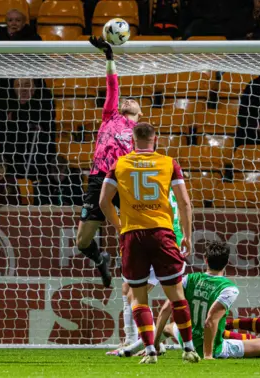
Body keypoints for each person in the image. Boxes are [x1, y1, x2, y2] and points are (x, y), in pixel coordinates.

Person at [99, 122, 199, 364]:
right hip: (163, 234)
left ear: (132, 141)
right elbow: (185, 203)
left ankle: (151, 352)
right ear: (156, 139)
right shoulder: (168, 162)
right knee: (176, 296)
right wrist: (187, 234)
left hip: (134, 235)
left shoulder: (119, 164)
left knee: (137, 298)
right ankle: (188, 349)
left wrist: (121, 226)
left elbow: (103, 202)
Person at [76, 37, 143, 288]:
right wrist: (109, 56)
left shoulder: (141, 131)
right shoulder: (110, 116)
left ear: (141, 112)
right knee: (82, 242)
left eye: (133, 101)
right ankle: (100, 258)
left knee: (132, 234)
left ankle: (137, 279)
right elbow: (113, 86)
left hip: (123, 182)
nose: (128, 100)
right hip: (98, 179)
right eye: (126, 99)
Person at [153, 241, 260, 360]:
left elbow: (165, 310)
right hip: (211, 348)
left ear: (205, 259)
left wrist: (155, 343)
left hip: (186, 340)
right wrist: (208, 355)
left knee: (169, 327)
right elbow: (210, 321)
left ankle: (150, 346)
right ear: (227, 262)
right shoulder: (229, 288)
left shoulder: (188, 279)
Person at [108, 185, 183, 355]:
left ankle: (144, 342)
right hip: (165, 241)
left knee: (134, 294)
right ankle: (133, 339)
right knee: (127, 289)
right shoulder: (165, 185)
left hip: (164, 243)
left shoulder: (151, 188)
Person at [0, 78, 55, 180]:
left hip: (38, 166)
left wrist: (16, 116)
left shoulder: (45, 102)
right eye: (18, 85)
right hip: (12, 165)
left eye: (27, 84)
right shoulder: (4, 104)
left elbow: (44, 117)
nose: (23, 89)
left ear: (35, 88)